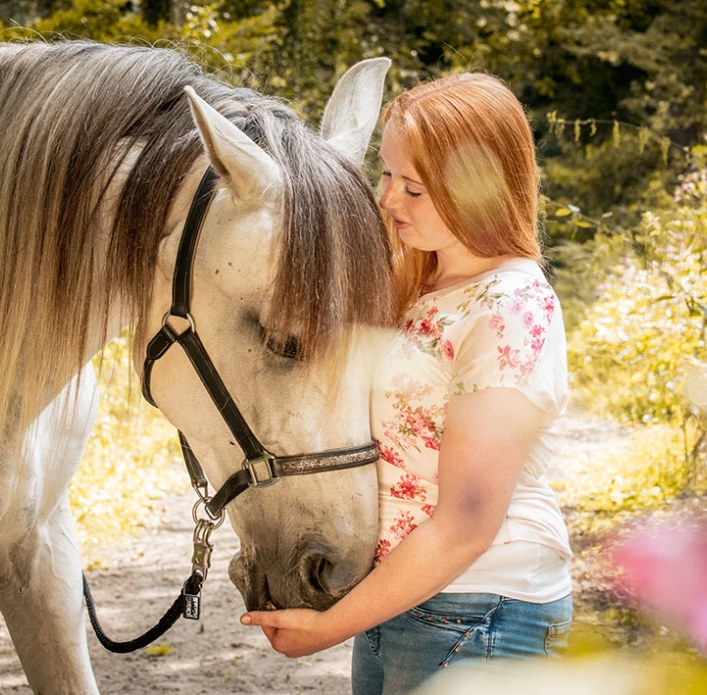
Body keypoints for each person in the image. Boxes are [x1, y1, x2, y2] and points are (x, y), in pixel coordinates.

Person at [241, 72, 572, 693]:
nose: (389, 199)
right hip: (402, 597)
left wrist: (332, 625)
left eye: (413, 186)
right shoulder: (414, 284)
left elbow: (467, 524)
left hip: (483, 609)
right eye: (386, 174)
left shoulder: (509, 307)